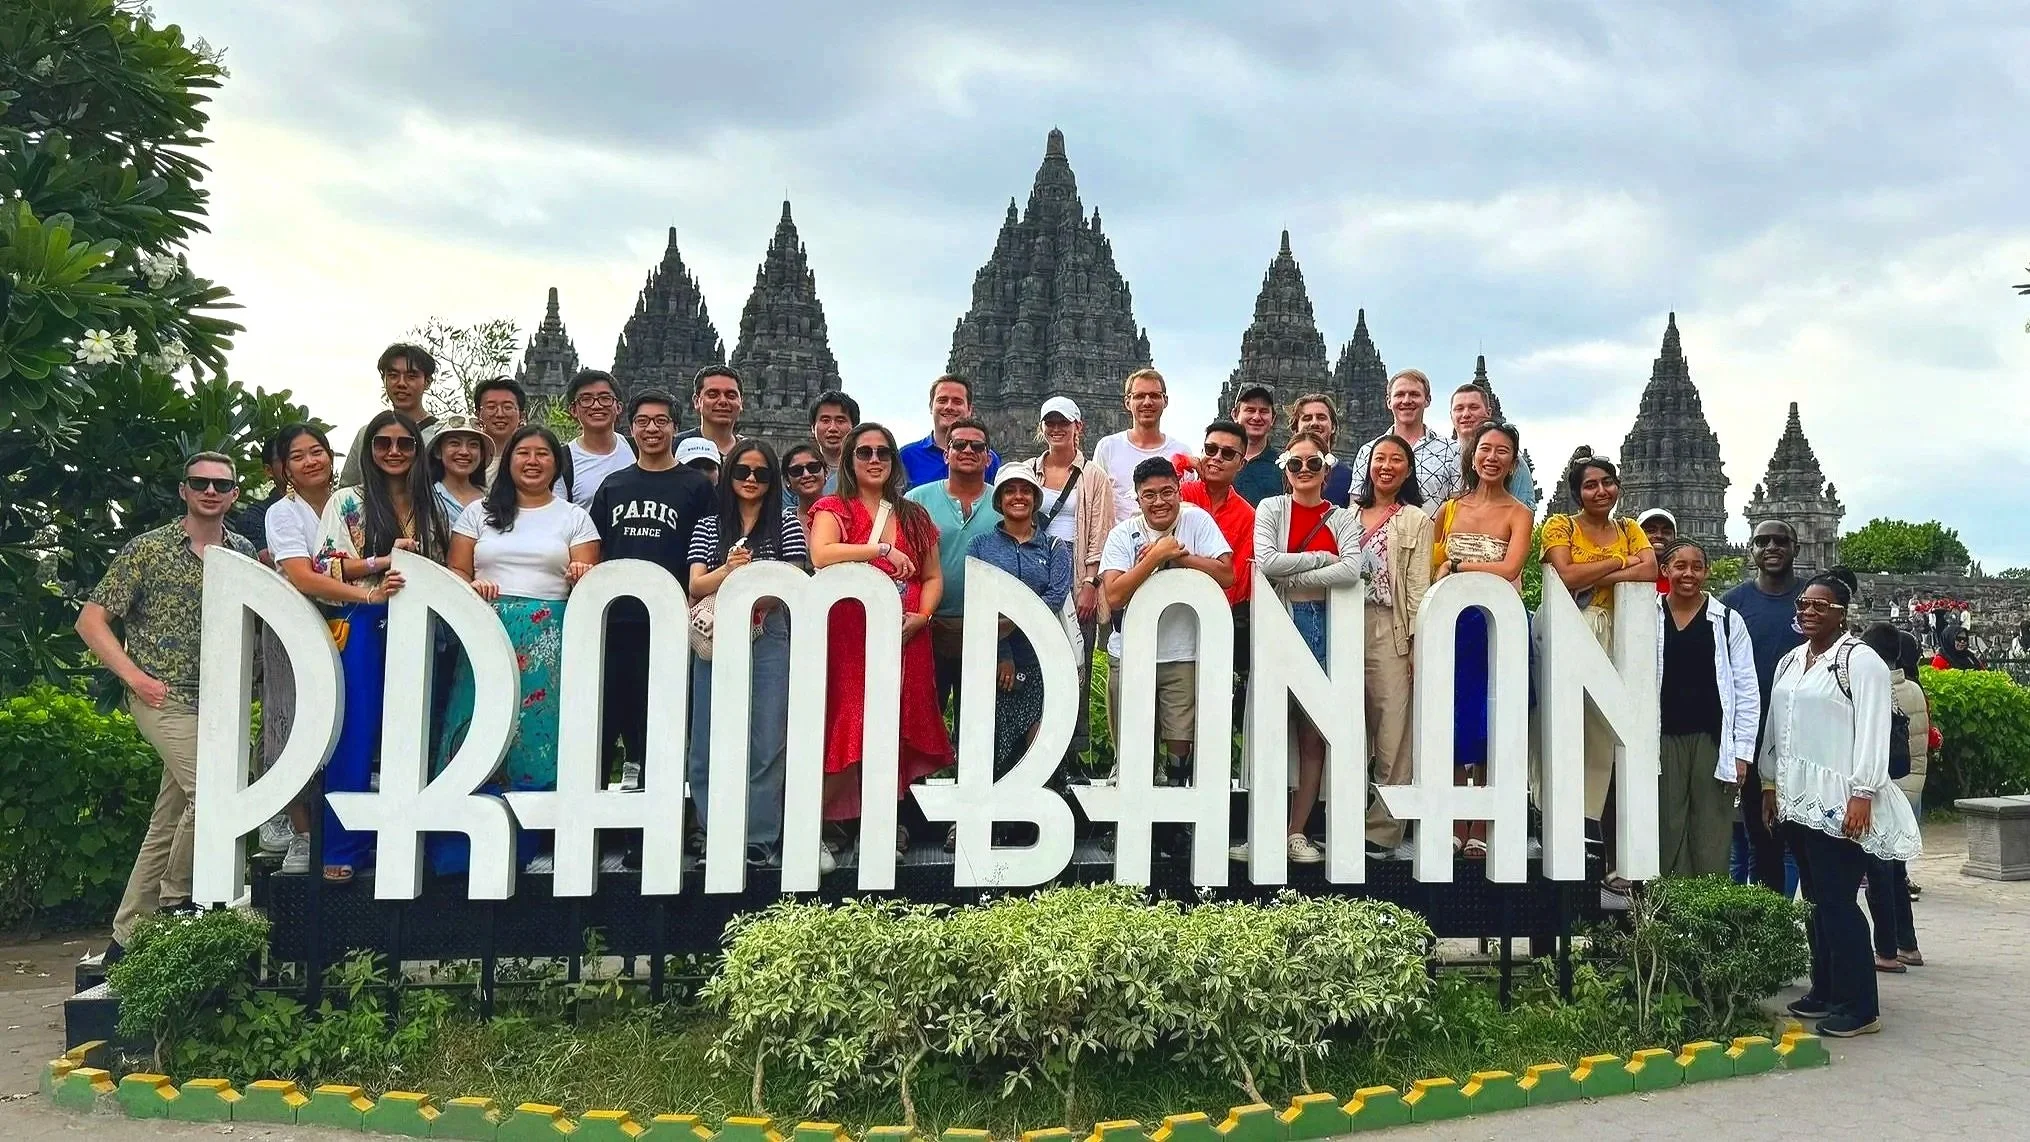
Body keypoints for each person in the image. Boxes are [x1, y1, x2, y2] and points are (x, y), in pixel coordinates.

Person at [77, 453, 258, 964]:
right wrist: (135, 677)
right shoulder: (148, 550)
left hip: (221, 704)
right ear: (184, 490)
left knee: (171, 818)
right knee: (215, 794)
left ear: (234, 494)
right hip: (164, 698)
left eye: (221, 484)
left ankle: (126, 938)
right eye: (200, 482)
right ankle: (176, 902)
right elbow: (91, 623)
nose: (210, 491)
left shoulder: (242, 552)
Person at [1763, 575, 1920, 1038]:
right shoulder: (1791, 661)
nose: (1808, 610)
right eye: (1803, 603)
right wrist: (1771, 784)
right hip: (1798, 795)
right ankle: (1826, 988)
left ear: (1841, 613)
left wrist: (1863, 793)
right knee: (1815, 899)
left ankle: (1860, 1005)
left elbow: (1872, 729)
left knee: (1838, 901)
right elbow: (1777, 725)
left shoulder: (1859, 661)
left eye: (1820, 605)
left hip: (1842, 800)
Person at [808, 424, 954, 856]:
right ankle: (833, 824)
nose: (874, 460)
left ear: (894, 462)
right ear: (850, 461)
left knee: (897, 723)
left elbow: (931, 576)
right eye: (864, 453)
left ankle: (889, 823)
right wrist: (881, 552)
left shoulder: (913, 516)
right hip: (850, 635)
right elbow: (822, 555)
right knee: (849, 719)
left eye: (883, 453)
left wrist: (923, 616)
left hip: (906, 634)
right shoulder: (833, 508)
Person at [317, 411, 451, 882]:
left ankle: (408, 838)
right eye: (383, 444)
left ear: (418, 452)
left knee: (416, 733)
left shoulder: (431, 504)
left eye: (404, 444)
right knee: (355, 734)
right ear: (369, 451)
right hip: (362, 620)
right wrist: (380, 564)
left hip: (421, 626)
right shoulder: (347, 501)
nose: (394, 452)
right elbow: (323, 567)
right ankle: (342, 847)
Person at [444, 426, 599, 811]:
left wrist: (580, 572)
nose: (532, 462)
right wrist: (473, 586)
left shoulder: (574, 517)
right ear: (508, 460)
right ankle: (466, 822)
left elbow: (590, 574)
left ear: (557, 464)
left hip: (550, 633)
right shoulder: (477, 513)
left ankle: (538, 823)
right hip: (487, 628)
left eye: (542, 454)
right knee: (479, 718)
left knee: (539, 725)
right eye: (523, 453)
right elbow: (456, 571)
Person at [1235, 432, 1365, 865]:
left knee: (1313, 736)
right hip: (1280, 622)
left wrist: (1294, 574)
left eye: (1313, 465)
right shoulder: (1272, 508)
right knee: (1272, 728)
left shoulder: (1342, 517)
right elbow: (1265, 562)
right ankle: (1264, 830)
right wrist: (1318, 562)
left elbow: (1351, 570)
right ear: (1284, 470)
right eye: (1295, 465)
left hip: (1326, 627)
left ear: (1327, 471)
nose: (1304, 472)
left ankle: (1296, 831)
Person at [1540, 446, 1657, 889]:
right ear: (1576, 494)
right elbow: (1566, 578)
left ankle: (1604, 840)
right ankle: (1570, 830)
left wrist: (1596, 570)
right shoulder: (1559, 525)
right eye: (1590, 485)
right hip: (1575, 636)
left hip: (1622, 640)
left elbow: (1650, 571)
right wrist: (1619, 563)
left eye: (1608, 483)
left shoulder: (1630, 528)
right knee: (1568, 733)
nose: (1600, 491)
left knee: (1611, 739)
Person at [686, 439, 807, 868]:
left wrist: (759, 589)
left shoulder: (787, 523)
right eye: (742, 472)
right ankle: (711, 829)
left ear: (773, 480)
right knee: (706, 736)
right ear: (729, 475)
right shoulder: (708, 525)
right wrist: (731, 571)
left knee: (767, 737)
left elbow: (796, 575)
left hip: (769, 628)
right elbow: (696, 584)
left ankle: (758, 836)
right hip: (717, 632)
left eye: (760, 473)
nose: (751, 480)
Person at [589, 390, 716, 790]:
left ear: (675, 428)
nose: (651, 429)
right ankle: (597, 822)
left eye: (661, 421)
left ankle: (650, 830)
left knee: (660, 721)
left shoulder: (696, 487)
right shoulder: (614, 485)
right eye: (643, 421)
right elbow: (596, 549)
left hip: (671, 621)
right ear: (631, 428)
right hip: (616, 620)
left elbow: (708, 551)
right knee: (606, 718)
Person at [259, 426, 362, 876]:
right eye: (298, 456)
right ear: (285, 469)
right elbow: (301, 575)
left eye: (317, 451)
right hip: (295, 627)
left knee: (341, 726)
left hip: (347, 627)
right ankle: (301, 833)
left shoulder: (351, 503)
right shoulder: (283, 513)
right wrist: (365, 594)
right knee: (292, 723)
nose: (311, 461)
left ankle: (341, 831)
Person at [1100, 457, 1235, 787]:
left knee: (1180, 738)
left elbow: (1227, 573)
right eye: (1149, 495)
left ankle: (1174, 820)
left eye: (1167, 492)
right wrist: (1157, 557)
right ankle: (1130, 818)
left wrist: (1181, 557)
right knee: (1132, 741)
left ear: (1178, 490)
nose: (1159, 501)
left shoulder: (1197, 521)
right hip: (1131, 653)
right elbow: (1114, 595)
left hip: (1183, 652)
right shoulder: (1122, 534)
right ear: (1137, 497)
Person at [1431, 422, 1533, 857]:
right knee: (1453, 722)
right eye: (1485, 449)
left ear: (1513, 462)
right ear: (1472, 457)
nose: (1492, 457)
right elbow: (1431, 565)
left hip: (1498, 624)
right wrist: (1449, 572)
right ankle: (1455, 817)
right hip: (1453, 624)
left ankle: (1484, 822)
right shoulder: (1449, 509)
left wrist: (1458, 568)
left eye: (1502, 451)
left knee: (1495, 721)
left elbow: (1511, 568)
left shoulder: (1519, 513)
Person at [964, 466, 1072, 836]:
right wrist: (1002, 652)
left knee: (1041, 738)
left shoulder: (1055, 547)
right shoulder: (981, 547)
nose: (1018, 497)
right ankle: (977, 821)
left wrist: (1011, 622)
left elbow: (1056, 596)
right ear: (999, 501)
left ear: (1036, 498)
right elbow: (980, 601)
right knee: (989, 739)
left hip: (1044, 658)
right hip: (994, 660)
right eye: (1009, 491)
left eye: (1025, 490)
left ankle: (1041, 823)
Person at [1015, 397, 1117, 767]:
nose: (1056, 429)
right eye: (1050, 423)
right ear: (1041, 427)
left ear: (1079, 427)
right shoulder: (1026, 470)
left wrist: (1091, 581)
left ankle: (1069, 759)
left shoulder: (1093, 476)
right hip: (1030, 573)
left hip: (1076, 579)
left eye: (1064, 423)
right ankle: (1025, 754)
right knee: (1029, 666)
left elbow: (1101, 532)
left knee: (1075, 666)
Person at [1654, 539, 1759, 879]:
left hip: (1712, 739)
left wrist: (1742, 753)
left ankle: (1706, 919)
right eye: (1680, 566)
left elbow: (1746, 689)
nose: (1688, 574)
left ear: (1707, 572)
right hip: (1662, 738)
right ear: (1665, 570)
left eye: (1696, 567)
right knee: (1665, 830)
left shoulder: (1727, 621)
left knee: (1712, 834)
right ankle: (1667, 915)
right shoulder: (1645, 616)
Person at [1349, 434, 1432, 857]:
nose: (1386, 466)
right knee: (1345, 727)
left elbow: (1418, 588)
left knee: (1392, 730)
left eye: (1396, 460)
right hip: (1345, 625)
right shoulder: (1346, 515)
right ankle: (1344, 818)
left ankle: (1382, 830)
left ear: (1408, 470)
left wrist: (1417, 644)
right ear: (1368, 466)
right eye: (1379, 458)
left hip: (1390, 626)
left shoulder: (1416, 519)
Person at [1721, 519, 1807, 896]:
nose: (1771, 548)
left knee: (1808, 838)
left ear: (1795, 548)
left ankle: (1813, 928)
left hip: (1806, 734)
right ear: (1751, 549)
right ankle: (1770, 927)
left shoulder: (1812, 600)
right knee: (1761, 836)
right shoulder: (1732, 605)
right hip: (1753, 736)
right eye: (1762, 542)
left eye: (1780, 541)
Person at [905, 417, 1002, 729]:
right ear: (946, 454)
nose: (968, 451)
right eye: (959, 445)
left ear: (988, 458)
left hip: (987, 629)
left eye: (977, 446)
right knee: (921, 720)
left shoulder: (1003, 502)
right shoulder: (916, 501)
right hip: (927, 627)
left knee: (977, 724)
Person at [1860, 622, 1927, 973]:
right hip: (1912, 784)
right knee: (1896, 870)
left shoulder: (1875, 685)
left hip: (1884, 788)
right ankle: (1908, 944)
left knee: (1880, 872)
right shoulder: (1913, 689)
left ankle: (1886, 949)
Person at [1354, 370, 1459, 514]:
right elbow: (1356, 508)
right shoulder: (1367, 451)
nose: (1406, 400)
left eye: (1414, 394)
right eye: (1400, 394)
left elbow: (1458, 509)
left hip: (1432, 535)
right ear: (1389, 402)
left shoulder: (1452, 451)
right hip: (1377, 534)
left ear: (1427, 400)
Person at [1091, 368, 1191, 520]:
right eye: (1139, 396)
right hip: (1119, 540)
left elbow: (1186, 504)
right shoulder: (1108, 448)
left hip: (1169, 541)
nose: (1147, 402)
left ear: (1165, 401)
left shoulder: (1181, 452)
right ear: (1127, 402)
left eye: (1154, 395)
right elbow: (1095, 502)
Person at [338, 343, 439, 487]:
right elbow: (347, 490)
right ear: (384, 379)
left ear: (427, 382)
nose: (401, 383)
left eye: (411, 376)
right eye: (393, 375)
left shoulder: (441, 435)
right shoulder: (366, 434)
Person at [899, 375, 1000, 487]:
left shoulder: (984, 457)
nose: (949, 407)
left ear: (969, 409)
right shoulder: (907, 456)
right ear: (931, 406)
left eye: (957, 402)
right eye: (942, 400)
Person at [1447, 383, 1535, 509]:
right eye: (1459, 408)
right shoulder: (1442, 456)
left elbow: (1522, 511)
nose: (1466, 414)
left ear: (1488, 413)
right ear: (1451, 414)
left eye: (1473, 407)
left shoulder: (1510, 462)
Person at [559, 369, 636, 508]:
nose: (596, 405)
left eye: (605, 398)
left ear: (618, 407)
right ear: (573, 410)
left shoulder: (638, 450)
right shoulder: (562, 461)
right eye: (586, 399)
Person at [1287, 393, 1355, 507]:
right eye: (1307, 418)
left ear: (1333, 427)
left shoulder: (1350, 478)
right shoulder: (1282, 473)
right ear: (1296, 428)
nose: (1314, 423)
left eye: (1321, 417)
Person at [426, 416, 491, 523]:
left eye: (473, 445)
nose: (464, 452)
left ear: (482, 454)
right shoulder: (427, 498)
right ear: (438, 451)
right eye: (454, 443)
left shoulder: (491, 499)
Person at [1229, 383, 1284, 504]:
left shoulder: (1283, 466)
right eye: (1250, 410)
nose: (1257, 417)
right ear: (1235, 414)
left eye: (1263, 411)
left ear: (1273, 419)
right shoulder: (1220, 459)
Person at [676, 365, 744, 459]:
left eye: (731, 396)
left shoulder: (750, 452)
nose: (723, 401)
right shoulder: (675, 447)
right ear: (697, 401)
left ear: (741, 403)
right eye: (713, 395)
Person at [472, 377, 526, 484]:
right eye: (491, 407)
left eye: (507, 407)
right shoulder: (467, 456)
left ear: (522, 415)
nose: (500, 414)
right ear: (477, 414)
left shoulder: (531, 458)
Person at [806, 389, 860, 495]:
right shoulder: (800, 471)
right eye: (825, 420)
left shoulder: (865, 470)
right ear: (813, 428)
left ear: (854, 428)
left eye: (840, 421)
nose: (832, 428)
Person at [782, 443, 828, 539]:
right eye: (796, 470)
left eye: (813, 467)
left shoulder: (846, 517)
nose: (806, 475)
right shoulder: (781, 524)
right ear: (787, 480)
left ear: (826, 472)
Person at [1637, 508, 1677, 593]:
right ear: (1635, 536)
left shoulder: (1680, 576)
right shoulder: (1624, 569)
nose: (1659, 535)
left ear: (1674, 539)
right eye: (1651, 531)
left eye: (1666, 532)